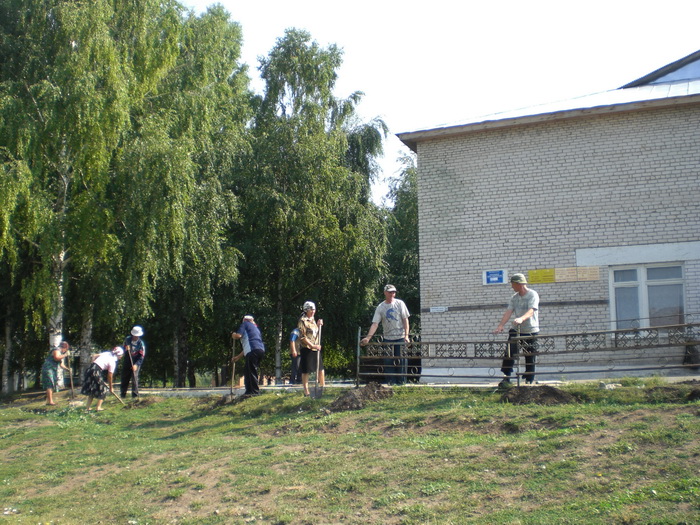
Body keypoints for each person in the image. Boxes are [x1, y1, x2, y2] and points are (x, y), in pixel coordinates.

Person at [494, 273, 540, 385]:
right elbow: (509, 311)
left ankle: (529, 379)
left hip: (530, 330)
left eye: (513, 284)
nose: (512, 287)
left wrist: (521, 318)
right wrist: (501, 325)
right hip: (516, 329)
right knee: (509, 353)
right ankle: (506, 377)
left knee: (529, 355)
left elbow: (532, 310)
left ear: (519, 284)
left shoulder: (532, 295)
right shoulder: (514, 298)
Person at [360, 284, 411, 385]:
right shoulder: (381, 307)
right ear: (385, 293)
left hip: (400, 337)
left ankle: (402, 384)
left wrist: (406, 336)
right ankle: (390, 384)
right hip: (388, 338)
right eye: (390, 292)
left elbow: (405, 320)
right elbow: (375, 324)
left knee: (401, 361)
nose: (392, 294)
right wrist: (368, 338)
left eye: (394, 292)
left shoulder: (400, 303)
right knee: (388, 362)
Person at [81, 346, 124, 411]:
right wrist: (111, 387)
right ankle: (98, 407)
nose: (121, 357)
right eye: (121, 355)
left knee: (92, 389)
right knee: (103, 389)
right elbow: (110, 376)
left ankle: (87, 408)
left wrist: (93, 362)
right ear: (118, 355)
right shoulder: (112, 362)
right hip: (96, 371)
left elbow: (94, 355)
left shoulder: (107, 353)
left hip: (90, 369)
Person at [232, 315, 266, 397]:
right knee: (248, 370)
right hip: (259, 350)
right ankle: (249, 391)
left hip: (252, 351)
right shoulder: (256, 329)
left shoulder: (245, 324)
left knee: (251, 371)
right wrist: (238, 357)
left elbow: (238, 335)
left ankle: (254, 391)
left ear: (245, 320)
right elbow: (248, 347)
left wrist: (234, 335)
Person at [297, 301, 324, 396]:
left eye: (314, 309)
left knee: (320, 368)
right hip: (306, 347)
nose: (313, 311)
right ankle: (306, 391)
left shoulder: (312, 319)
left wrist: (318, 324)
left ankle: (322, 387)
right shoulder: (302, 320)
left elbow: (314, 333)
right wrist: (312, 345)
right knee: (306, 370)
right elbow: (302, 336)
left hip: (316, 347)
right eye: (310, 310)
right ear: (306, 310)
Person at [41, 341, 71, 406]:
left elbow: (61, 365)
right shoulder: (56, 350)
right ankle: (50, 401)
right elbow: (56, 358)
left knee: (53, 384)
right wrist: (65, 355)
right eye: (66, 350)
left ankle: (49, 400)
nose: (65, 351)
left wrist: (68, 369)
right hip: (48, 369)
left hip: (53, 370)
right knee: (49, 384)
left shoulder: (60, 353)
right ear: (64, 347)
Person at [121, 325, 145, 398]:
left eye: (137, 336)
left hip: (136, 361)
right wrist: (125, 348)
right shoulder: (127, 339)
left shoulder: (141, 344)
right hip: (128, 360)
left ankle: (135, 395)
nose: (135, 337)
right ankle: (123, 394)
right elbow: (123, 349)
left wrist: (136, 365)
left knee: (134, 378)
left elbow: (141, 356)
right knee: (125, 378)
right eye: (134, 335)